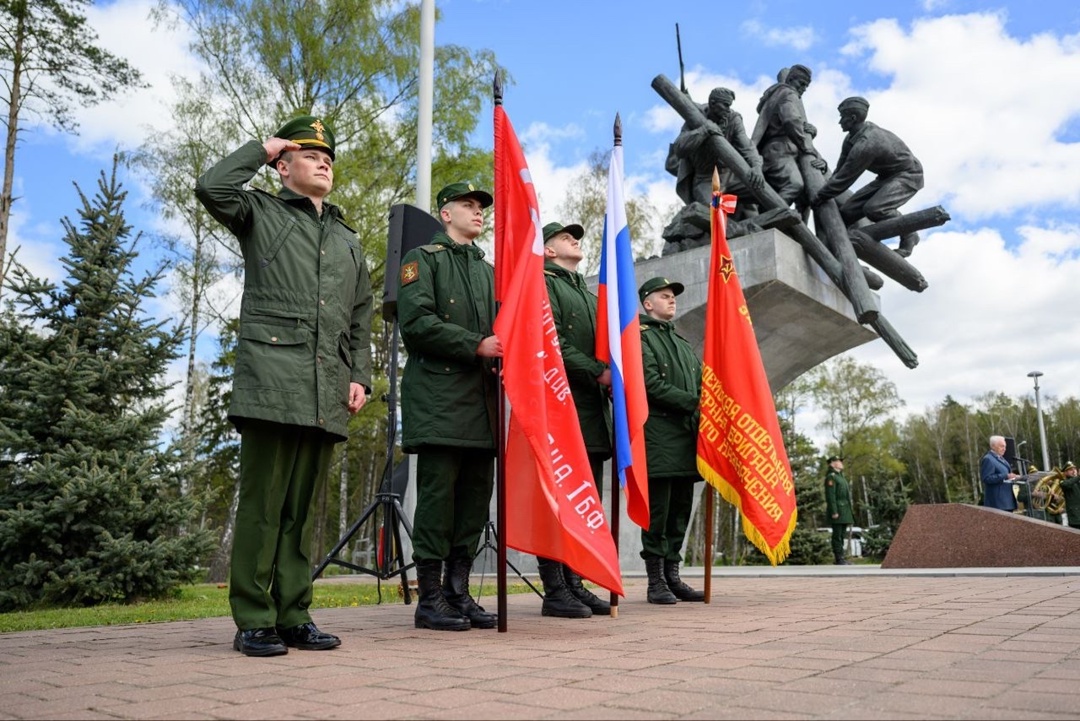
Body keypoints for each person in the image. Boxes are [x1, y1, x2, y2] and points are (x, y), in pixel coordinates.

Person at [195, 115, 373, 657]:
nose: (324, 163)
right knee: (263, 506)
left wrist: (360, 374)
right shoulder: (260, 211)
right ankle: (253, 617)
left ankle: (294, 613)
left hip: (326, 385)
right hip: (273, 378)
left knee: (300, 509)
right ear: (283, 165)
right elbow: (212, 186)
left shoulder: (348, 239)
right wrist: (264, 146)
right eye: (311, 154)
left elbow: (361, 313)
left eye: (330, 158)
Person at [397, 182, 502, 632]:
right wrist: (476, 344)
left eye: (480, 207)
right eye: (468, 205)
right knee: (439, 501)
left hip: (483, 403)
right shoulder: (423, 260)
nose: (477, 212)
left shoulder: (489, 271)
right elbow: (417, 324)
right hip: (440, 401)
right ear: (445, 213)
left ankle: (459, 594)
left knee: (475, 502)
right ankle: (431, 598)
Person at [534, 221, 613, 619]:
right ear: (548, 250)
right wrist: (596, 370)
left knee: (585, 504)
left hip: (592, 414)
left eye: (576, 237)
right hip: (561, 410)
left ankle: (575, 582)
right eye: (566, 237)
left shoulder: (586, 292)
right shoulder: (544, 284)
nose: (575, 241)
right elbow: (550, 341)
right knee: (558, 503)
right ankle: (554, 588)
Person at [637, 277, 705, 604]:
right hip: (659, 437)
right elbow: (648, 383)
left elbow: (700, 380)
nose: (671, 300)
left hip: (686, 438)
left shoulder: (680, 341)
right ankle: (655, 581)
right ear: (647, 304)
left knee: (680, 510)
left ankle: (672, 575)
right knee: (658, 512)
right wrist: (694, 403)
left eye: (673, 296)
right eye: (664, 296)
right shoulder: (641, 337)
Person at [810, 96, 925, 257]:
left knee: (875, 209)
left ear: (853, 118)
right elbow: (841, 169)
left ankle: (909, 234)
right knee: (847, 212)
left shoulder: (867, 143)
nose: (840, 122)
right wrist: (826, 179)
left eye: (842, 117)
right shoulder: (851, 138)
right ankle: (844, 247)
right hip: (886, 177)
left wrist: (819, 196)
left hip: (908, 175)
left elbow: (846, 178)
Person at [665, 87, 765, 219]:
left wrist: (756, 167)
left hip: (731, 175)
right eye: (725, 105)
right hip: (705, 178)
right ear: (712, 103)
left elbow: (747, 147)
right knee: (713, 211)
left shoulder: (734, 119)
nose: (728, 109)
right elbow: (679, 148)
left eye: (729, 105)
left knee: (762, 193)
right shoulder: (695, 117)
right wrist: (703, 130)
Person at [750, 64, 827, 207]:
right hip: (780, 150)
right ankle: (773, 217)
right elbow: (791, 121)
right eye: (801, 83)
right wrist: (807, 147)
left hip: (783, 150)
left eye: (806, 86)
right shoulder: (788, 93)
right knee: (794, 184)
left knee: (800, 195)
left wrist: (809, 131)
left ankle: (775, 217)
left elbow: (794, 123)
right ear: (790, 79)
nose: (803, 89)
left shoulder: (779, 94)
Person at [824, 455, 854, 565]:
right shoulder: (831, 477)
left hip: (844, 509)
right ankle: (838, 558)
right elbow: (830, 496)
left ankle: (842, 557)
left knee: (842, 534)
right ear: (832, 463)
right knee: (837, 535)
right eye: (839, 461)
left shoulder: (840, 476)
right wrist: (834, 511)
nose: (841, 463)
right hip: (838, 509)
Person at [980, 435, 1019, 512]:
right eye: (1001, 446)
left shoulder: (1002, 459)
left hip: (1007, 501)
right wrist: (1005, 476)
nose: (1004, 449)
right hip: (997, 504)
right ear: (993, 446)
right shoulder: (988, 459)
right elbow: (986, 478)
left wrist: (1016, 477)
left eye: (1005, 446)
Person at [1060, 461, 1080, 530]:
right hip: (1075, 518)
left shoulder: (1076, 481)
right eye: (1071, 470)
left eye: (1074, 469)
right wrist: (1078, 477)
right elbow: (1066, 484)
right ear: (1065, 472)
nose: (1073, 471)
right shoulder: (1063, 481)